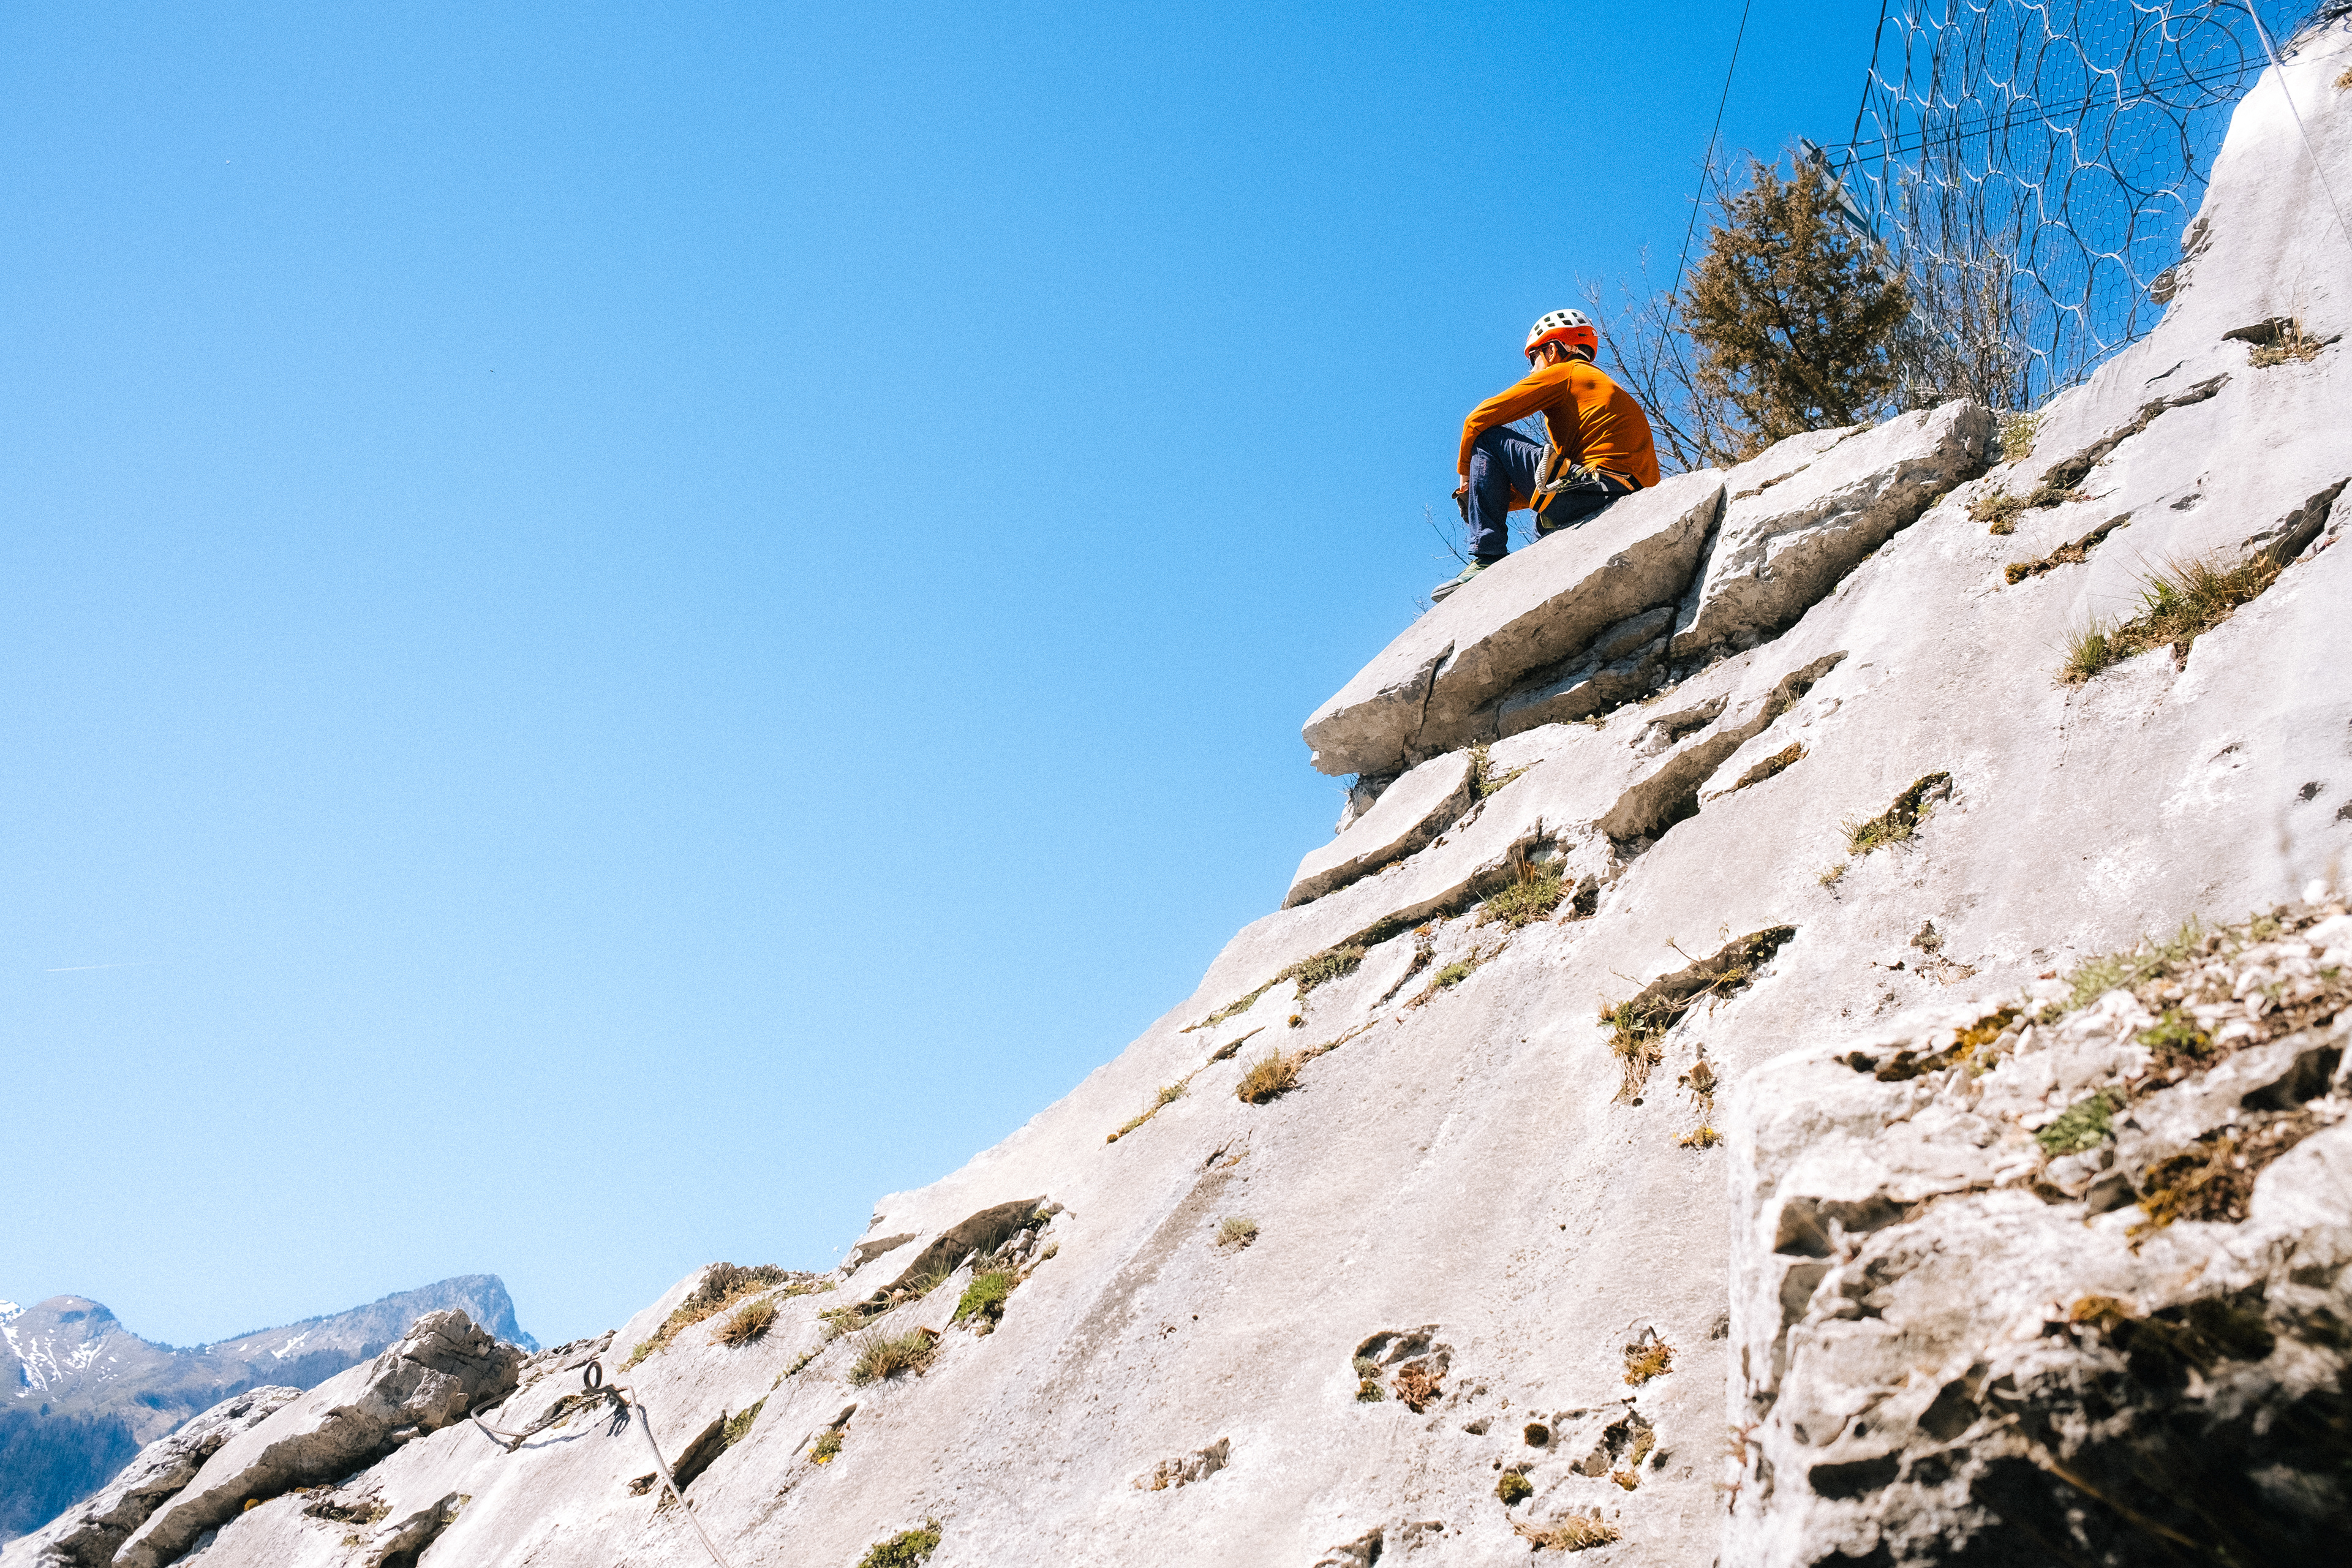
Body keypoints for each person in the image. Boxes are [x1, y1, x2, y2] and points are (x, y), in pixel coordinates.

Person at [1431, 309, 1662, 602]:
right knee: (1544, 511)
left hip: (1597, 490)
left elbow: (1477, 420)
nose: (1531, 370)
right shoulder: (1595, 389)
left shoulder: (1568, 372)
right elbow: (1555, 481)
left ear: (1552, 351)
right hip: (1615, 492)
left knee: (1487, 438)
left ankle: (1487, 556)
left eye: (1533, 359)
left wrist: (1466, 476)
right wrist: (1486, 496)